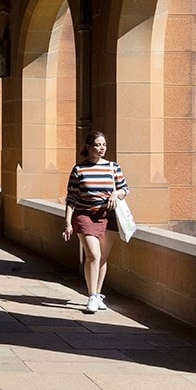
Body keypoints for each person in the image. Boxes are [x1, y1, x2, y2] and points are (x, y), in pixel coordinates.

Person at [62, 131, 129, 313]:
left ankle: (98, 294)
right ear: (88, 146)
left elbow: (125, 189)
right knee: (93, 255)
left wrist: (116, 193)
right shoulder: (79, 169)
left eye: (104, 145)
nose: (102, 148)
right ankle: (91, 296)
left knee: (103, 257)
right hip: (85, 215)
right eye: (98, 145)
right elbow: (71, 198)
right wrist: (68, 222)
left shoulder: (113, 167)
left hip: (108, 217)